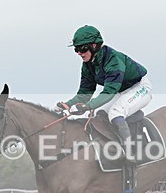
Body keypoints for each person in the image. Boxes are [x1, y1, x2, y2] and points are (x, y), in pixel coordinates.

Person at [56, 25, 153, 161]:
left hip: (139, 87)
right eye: (76, 49)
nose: (79, 53)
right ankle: (112, 147)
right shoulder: (88, 64)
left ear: (94, 46)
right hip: (120, 90)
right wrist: (68, 104)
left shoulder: (113, 60)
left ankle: (130, 154)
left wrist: (87, 106)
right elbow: (85, 92)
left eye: (82, 48)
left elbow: (109, 92)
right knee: (99, 113)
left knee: (116, 112)